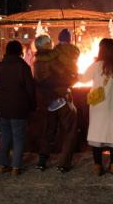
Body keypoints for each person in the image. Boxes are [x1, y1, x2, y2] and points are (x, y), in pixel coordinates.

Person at [81, 38, 113, 176]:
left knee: (97, 135)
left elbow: (83, 79)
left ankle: (97, 166)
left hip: (99, 107)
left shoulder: (96, 65)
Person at [34, 33, 79, 173]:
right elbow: (66, 76)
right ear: (48, 44)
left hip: (45, 100)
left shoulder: (36, 62)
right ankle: (63, 163)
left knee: (48, 129)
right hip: (61, 97)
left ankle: (42, 160)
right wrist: (74, 78)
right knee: (70, 128)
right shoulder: (55, 59)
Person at [0, 40, 36, 175]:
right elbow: (30, 88)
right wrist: (32, 104)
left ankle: (2, 164)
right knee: (18, 137)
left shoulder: (1, 66)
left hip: (3, 106)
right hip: (18, 107)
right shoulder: (23, 66)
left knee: (5, 135)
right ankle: (16, 167)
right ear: (19, 51)